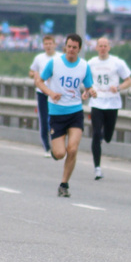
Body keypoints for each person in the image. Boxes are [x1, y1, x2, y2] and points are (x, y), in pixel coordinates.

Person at [33, 34, 97, 197]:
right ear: (65, 47)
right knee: (60, 153)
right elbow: (39, 81)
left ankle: (64, 184)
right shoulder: (54, 63)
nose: (71, 50)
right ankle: (55, 150)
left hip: (75, 112)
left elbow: (88, 87)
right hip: (56, 113)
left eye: (74, 47)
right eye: (69, 47)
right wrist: (50, 93)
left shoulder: (84, 66)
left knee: (73, 149)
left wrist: (90, 92)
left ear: (79, 49)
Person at [87, 36, 131, 180]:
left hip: (112, 103)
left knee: (107, 136)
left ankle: (103, 136)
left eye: (105, 46)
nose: (102, 48)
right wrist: (88, 90)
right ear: (96, 48)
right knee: (95, 134)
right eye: (100, 45)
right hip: (97, 102)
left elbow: (129, 81)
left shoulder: (117, 62)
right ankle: (97, 168)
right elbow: (86, 81)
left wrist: (118, 88)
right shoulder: (91, 63)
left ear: (109, 47)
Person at [29, 35, 59, 156]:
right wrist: (34, 74)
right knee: (44, 120)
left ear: (54, 44)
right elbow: (31, 71)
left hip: (55, 93)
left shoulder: (60, 57)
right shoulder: (39, 58)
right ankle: (46, 147)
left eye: (50, 43)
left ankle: (57, 146)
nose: (48, 46)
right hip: (42, 92)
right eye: (46, 44)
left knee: (55, 120)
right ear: (43, 45)